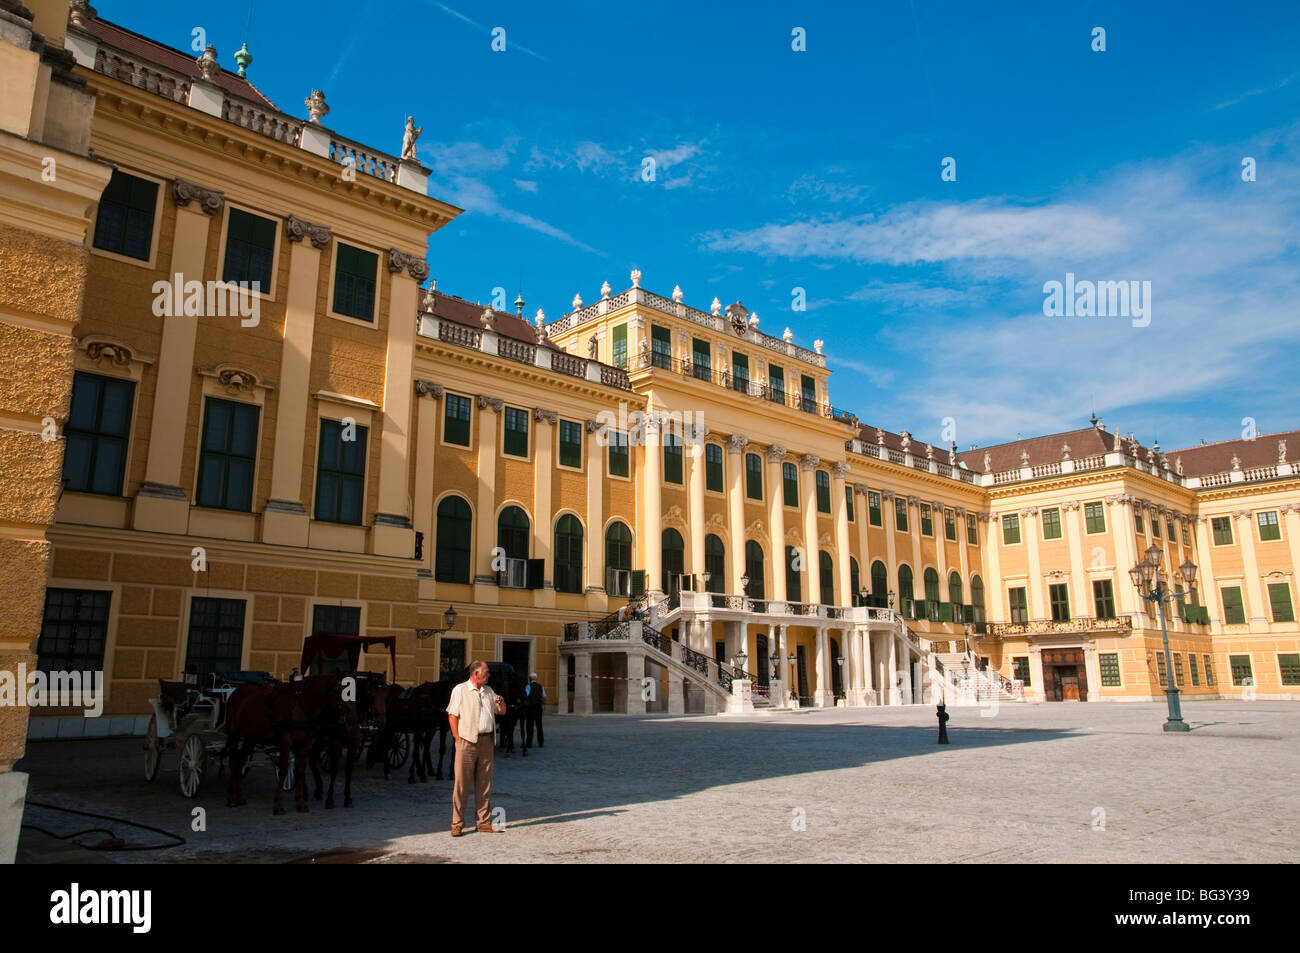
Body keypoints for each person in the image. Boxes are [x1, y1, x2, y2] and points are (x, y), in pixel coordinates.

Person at [446, 660, 506, 836]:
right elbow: (452, 715)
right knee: (461, 785)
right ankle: (457, 823)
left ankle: (483, 821)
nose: (489, 675)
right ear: (475, 674)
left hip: (486, 741)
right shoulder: (460, 690)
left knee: (484, 784)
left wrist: (501, 703)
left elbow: (501, 712)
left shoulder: (488, 691)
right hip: (467, 742)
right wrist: (458, 739)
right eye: (486, 673)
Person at [524, 673, 545, 748]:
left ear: (530, 679)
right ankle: (541, 742)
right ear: (536, 679)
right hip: (538, 707)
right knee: (539, 725)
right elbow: (544, 697)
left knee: (530, 726)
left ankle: (529, 743)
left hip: (530, 708)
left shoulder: (528, 686)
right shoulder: (540, 687)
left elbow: (526, 696)